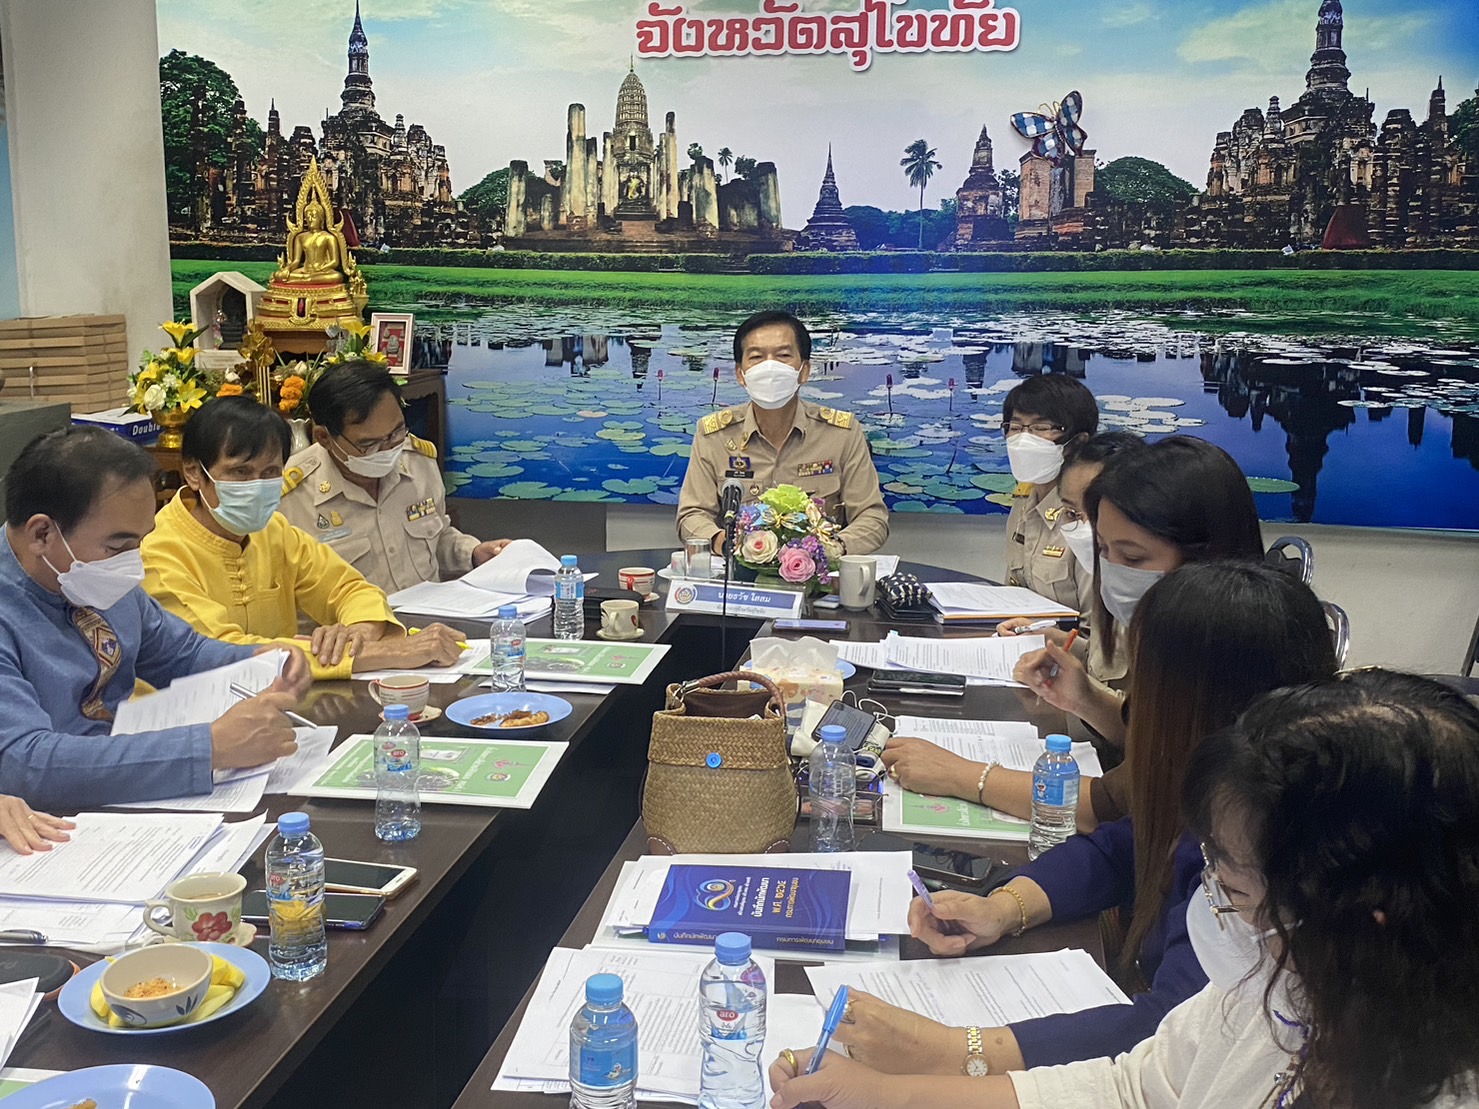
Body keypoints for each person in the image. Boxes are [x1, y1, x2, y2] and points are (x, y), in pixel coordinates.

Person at [768, 669, 1479, 1109]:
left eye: (1230, 886)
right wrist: (891, 1096)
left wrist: (952, 1053)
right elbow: (1135, 1087)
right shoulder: (1281, 991)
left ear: (1361, 918)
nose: (1209, 902)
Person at [832, 563, 1336, 1078]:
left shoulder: (1264, 840)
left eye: (1144, 689)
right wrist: (1004, 908)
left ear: (1195, 705)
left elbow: (1175, 1032)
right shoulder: (1227, 782)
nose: (1131, 710)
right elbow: (1121, 848)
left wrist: (957, 1050)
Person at [883, 435, 1263, 828]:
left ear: (1205, 553)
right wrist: (1085, 698)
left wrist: (963, 776)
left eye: (1132, 557)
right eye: (1104, 550)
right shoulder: (1179, 629)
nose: (1112, 570)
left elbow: (1117, 801)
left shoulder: (1227, 645)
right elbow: (1151, 736)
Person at [0, 427, 309, 809]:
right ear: (42, 534)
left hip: (129, 789)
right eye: (118, 546)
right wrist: (207, 748)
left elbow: (180, 653)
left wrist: (263, 660)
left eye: (140, 541)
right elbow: (25, 763)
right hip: (48, 817)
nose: (133, 562)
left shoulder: (91, 575)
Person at [142, 396, 464, 680]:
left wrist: (359, 632)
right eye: (240, 473)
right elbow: (222, 652)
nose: (258, 485)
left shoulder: (273, 531)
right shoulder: (158, 555)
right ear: (194, 473)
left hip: (281, 699)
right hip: (194, 714)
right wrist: (389, 653)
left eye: (270, 473)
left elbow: (348, 588)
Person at [279, 361, 513, 593]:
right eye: (369, 444)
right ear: (324, 438)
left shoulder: (417, 461)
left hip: (429, 613)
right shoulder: (290, 497)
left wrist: (472, 553)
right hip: (357, 618)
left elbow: (438, 537)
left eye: (396, 432)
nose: (388, 449)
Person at [677, 311, 888, 556]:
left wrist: (828, 550)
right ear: (740, 374)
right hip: (740, 572)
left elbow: (872, 518)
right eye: (757, 357)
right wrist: (724, 542)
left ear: (804, 370)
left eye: (783, 356)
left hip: (818, 574)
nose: (770, 367)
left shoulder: (842, 434)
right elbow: (692, 515)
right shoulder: (714, 435)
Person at [1000, 376, 1100, 613]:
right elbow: (1013, 590)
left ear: (1078, 441)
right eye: (1015, 427)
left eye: (1041, 428)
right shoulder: (1024, 500)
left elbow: (1095, 627)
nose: (1024, 439)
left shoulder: (1087, 515)